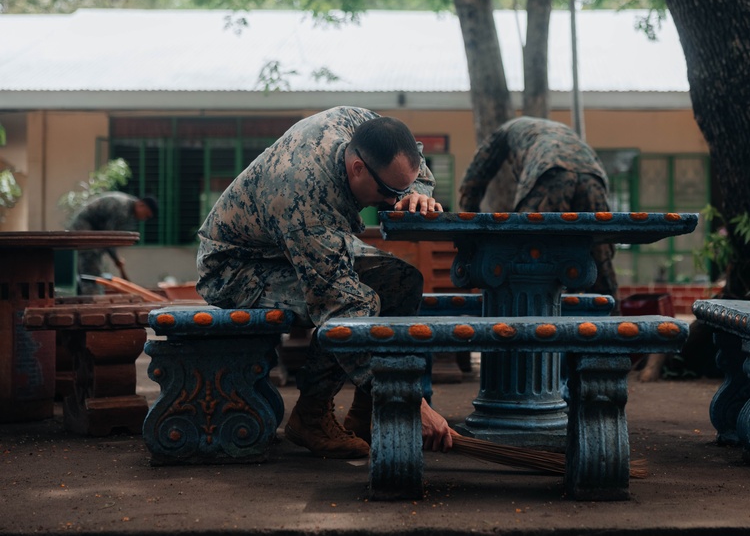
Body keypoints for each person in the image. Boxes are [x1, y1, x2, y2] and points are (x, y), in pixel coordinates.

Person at [196, 107, 454, 459]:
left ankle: (367, 414)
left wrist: (418, 190)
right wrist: (406, 400)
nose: (393, 203)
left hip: (285, 246)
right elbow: (339, 307)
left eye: (401, 190)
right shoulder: (304, 195)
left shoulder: (360, 125)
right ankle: (312, 416)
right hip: (236, 267)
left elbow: (415, 159)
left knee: (401, 280)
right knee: (360, 303)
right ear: (357, 168)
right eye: (388, 191)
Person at [458, 116, 619, 308]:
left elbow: (474, 178)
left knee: (529, 254)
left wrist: (469, 229)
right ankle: (614, 320)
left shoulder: (502, 134)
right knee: (599, 255)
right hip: (592, 176)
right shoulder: (555, 129)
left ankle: (532, 321)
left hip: (549, 172)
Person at [66, 192, 158, 294]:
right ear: (141, 205)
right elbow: (109, 237)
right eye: (146, 215)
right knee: (90, 263)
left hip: (94, 231)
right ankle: (91, 297)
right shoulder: (122, 208)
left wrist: (116, 259)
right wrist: (116, 259)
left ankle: (89, 293)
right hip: (84, 228)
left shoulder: (127, 206)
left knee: (91, 263)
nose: (144, 218)